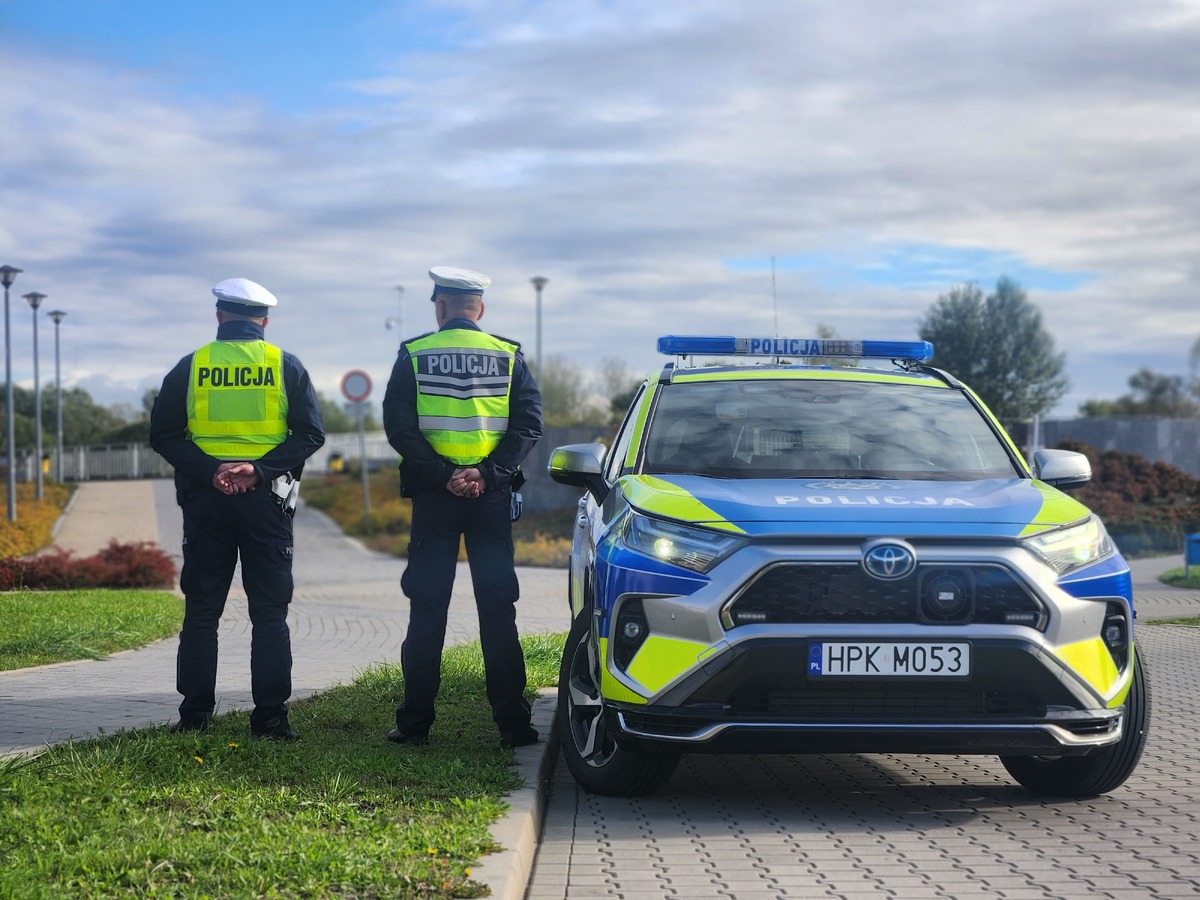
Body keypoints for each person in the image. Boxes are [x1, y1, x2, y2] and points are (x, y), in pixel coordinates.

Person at [149, 277, 325, 740]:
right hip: (267, 503)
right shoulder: (285, 365)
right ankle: (270, 719)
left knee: (202, 611)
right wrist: (259, 470)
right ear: (264, 321)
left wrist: (211, 471)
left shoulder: (191, 366)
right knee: (269, 613)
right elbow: (310, 434)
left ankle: (194, 717)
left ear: (219, 316)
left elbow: (163, 435)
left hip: (206, 502)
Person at [382, 266, 543, 748]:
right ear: (480, 309)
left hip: (435, 500)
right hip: (490, 500)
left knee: (427, 610)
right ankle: (513, 726)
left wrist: (443, 475)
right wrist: (486, 474)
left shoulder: (414, 354)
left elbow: (400, 428)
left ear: (440, 306)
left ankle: (415, 725)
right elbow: (528, 425)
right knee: (498, 611)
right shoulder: (508, 355)